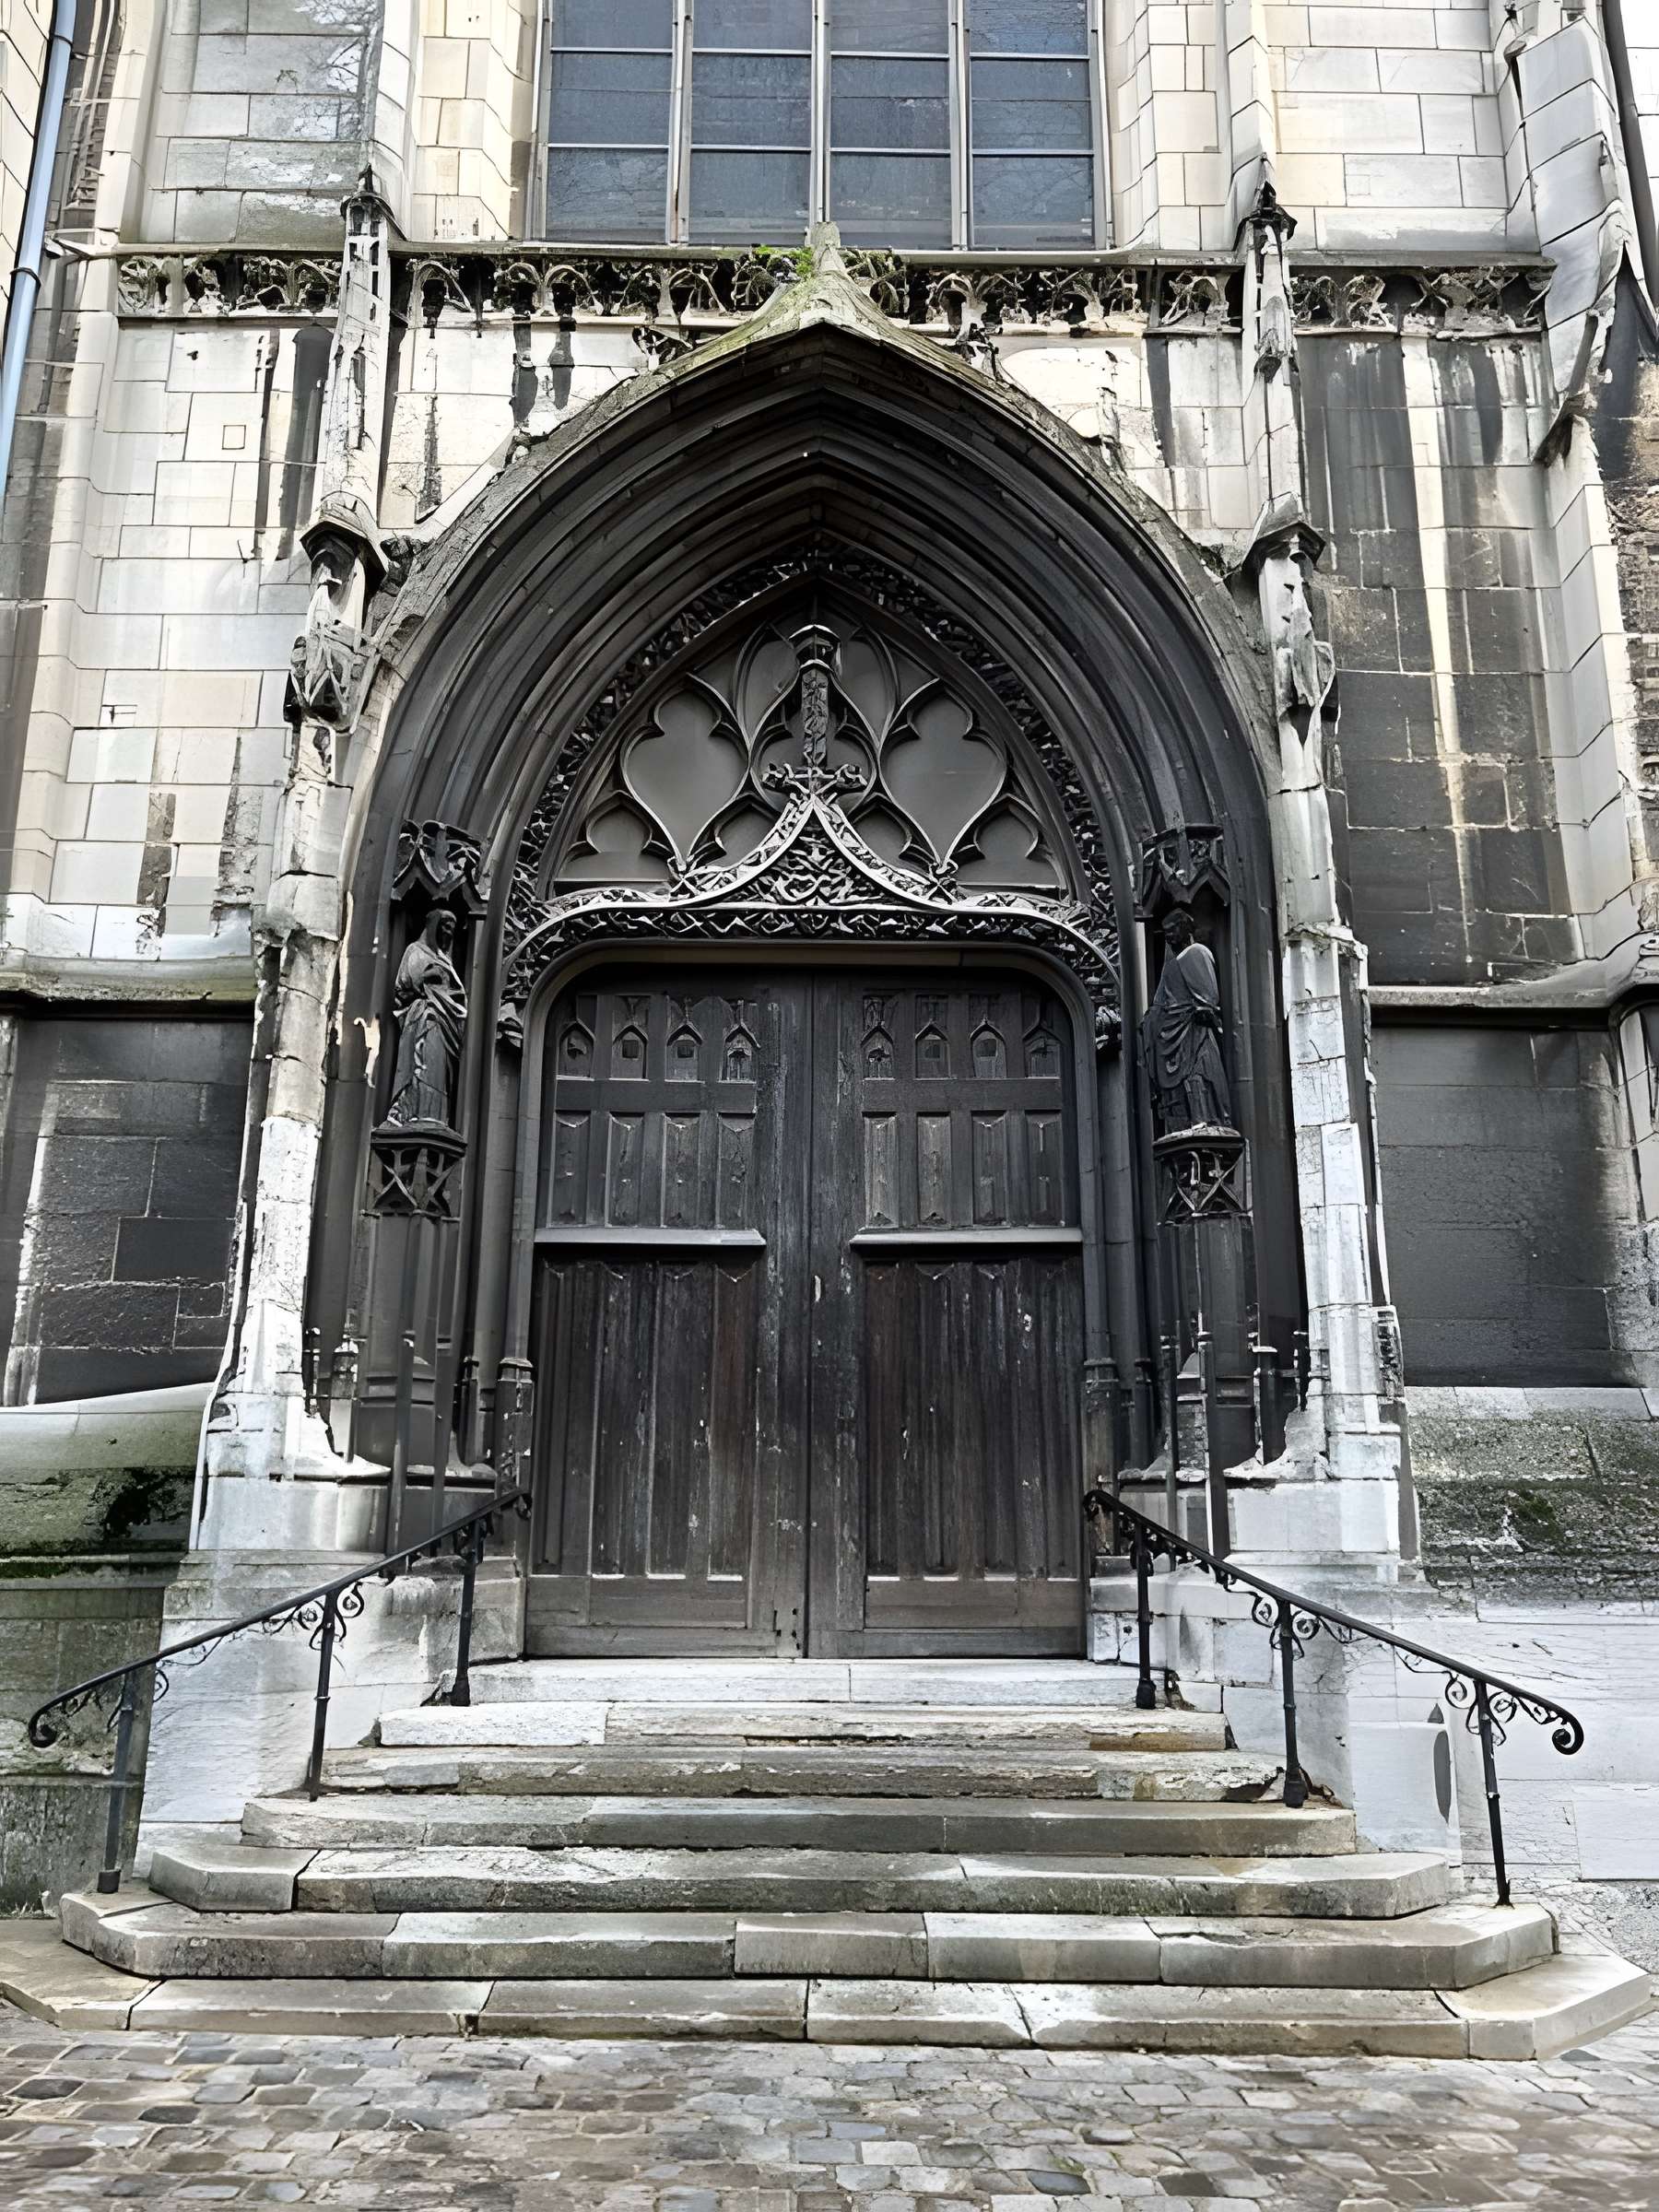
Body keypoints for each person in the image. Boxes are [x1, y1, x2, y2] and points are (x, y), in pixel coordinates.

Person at [1143, 908, 1232, 1132]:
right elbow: (1161, 1001)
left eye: (1173, 930)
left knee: (1200, 1074)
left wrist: (1197, 1012)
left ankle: (1208, 1120)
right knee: (1183, 1084)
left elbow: (1208, 998)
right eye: (1165, 933)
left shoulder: (1197, 953)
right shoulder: (1171, 964)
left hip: (1194, 1030)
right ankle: (1189, 1122)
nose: (1169, 936)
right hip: (1174, 1033)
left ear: (1185, 928)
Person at [385, 910, 466, 1127]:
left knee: (437, 1069)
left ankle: (435, 1115)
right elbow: (405, 984)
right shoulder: (416, 950)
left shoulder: (445, 960)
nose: (449, 931)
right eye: (445, 925)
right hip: (424, 1016)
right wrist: (427, 977)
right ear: (434, 926)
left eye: (452, 928)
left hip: (445, 1025)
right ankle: (410, 1111)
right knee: (421, 1062)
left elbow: (456, 995)